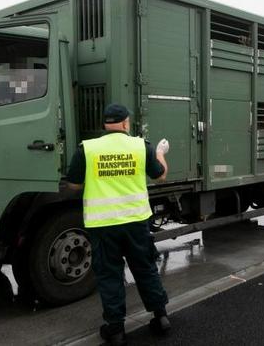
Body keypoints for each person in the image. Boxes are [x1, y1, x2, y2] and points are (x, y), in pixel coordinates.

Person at [66, 103, 171, 345]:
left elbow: (73, 185)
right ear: (125, 123)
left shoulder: (87, 149)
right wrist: (161, 154)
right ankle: (161, 317)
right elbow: (161, 175)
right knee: (145, 268)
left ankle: (116, 330)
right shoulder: (140, 146)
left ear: (105, 124)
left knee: (110, 274)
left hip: (102, 225)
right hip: (135, 222)